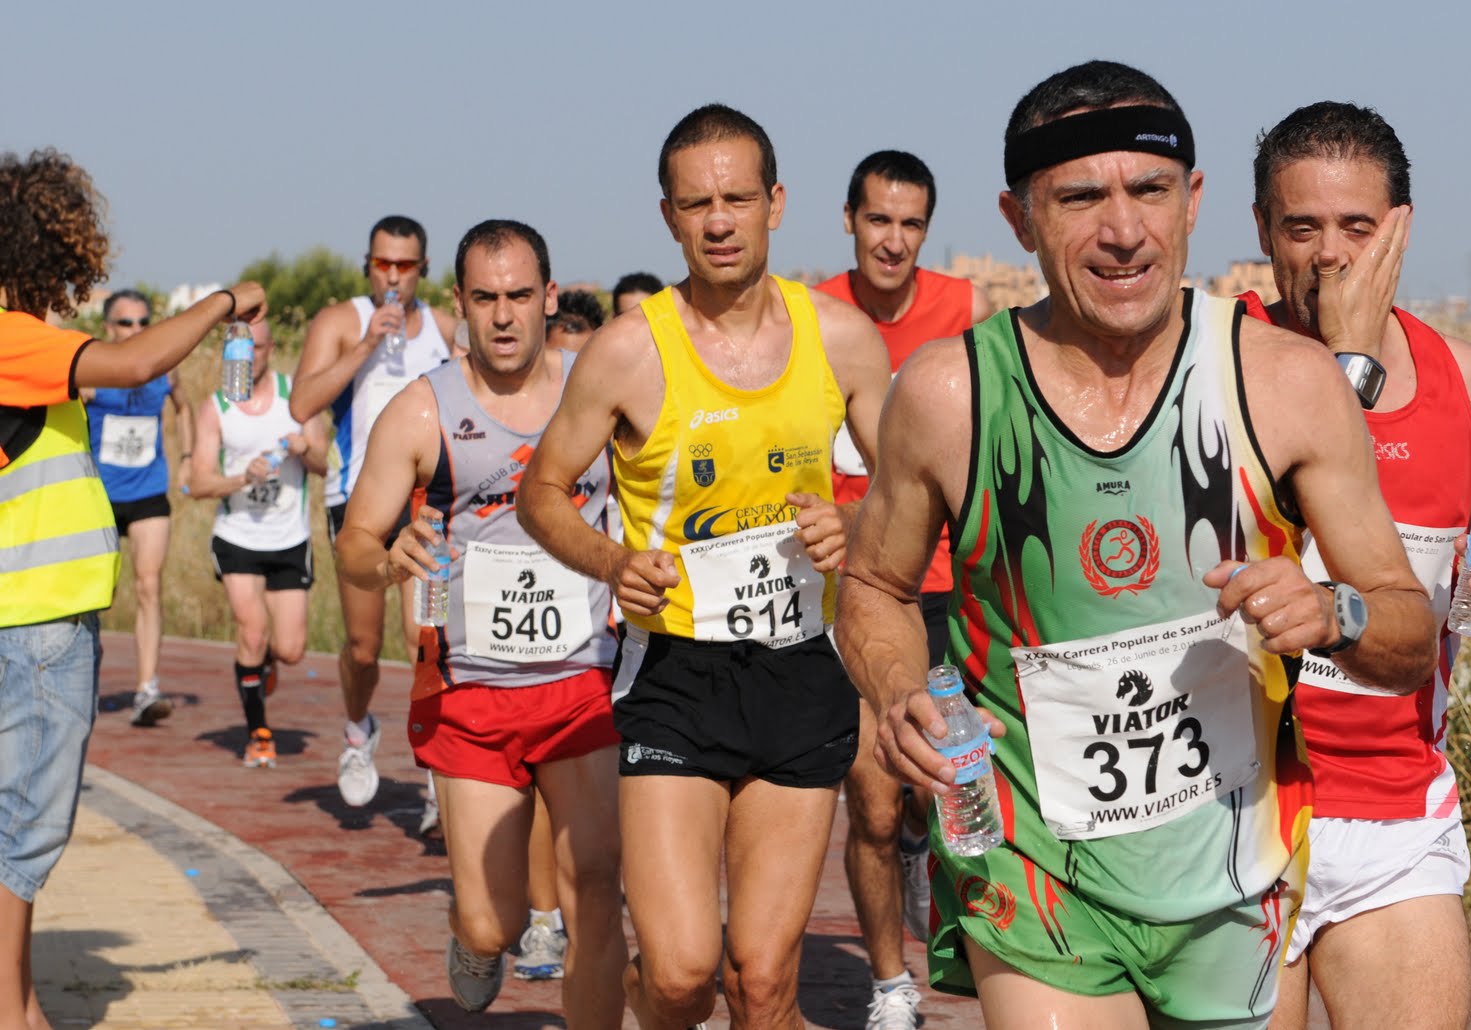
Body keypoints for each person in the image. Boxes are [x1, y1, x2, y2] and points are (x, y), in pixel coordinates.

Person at [833, 62, 1440, 1029]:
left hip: (1239, 873)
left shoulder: (1285, 382)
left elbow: (1407, 634)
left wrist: (1334, 612)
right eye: (1080, 198)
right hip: (1036, 870)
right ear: (1019, 216)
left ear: (1193, 200)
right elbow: (873, 584)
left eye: (1150, 190)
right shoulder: (949, 395)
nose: (1123, 232)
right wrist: (901, 691)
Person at [518, 104, 890, 1030]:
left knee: (762, 983)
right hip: (676, 671)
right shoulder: (625, 351)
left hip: (801, 668)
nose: (718, 221)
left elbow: (905, 493)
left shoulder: (843, 340)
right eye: (697, 204)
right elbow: (541, 493)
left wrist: (853, 523)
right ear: (669, 217)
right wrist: (613, 561)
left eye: (735, 198)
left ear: (776, 202)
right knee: (683, 975)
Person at [1244, 102, 1471, 1030]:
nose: (1329, 255)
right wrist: (1342, 360)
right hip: (1243, 805)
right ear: (1262, 230)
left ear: (1402, 232)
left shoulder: (1462, 374)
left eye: (1357, 228)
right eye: (1301, 228)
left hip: (1394, 807)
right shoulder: (1226, 361)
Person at [0, 145, 265, 1030]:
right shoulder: (12, 337)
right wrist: (226, 303)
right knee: (23, 829)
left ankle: (21, 1000)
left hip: (31, 615)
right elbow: (135, 363)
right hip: (32, 617)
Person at [336, 219, 625, 1023]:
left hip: (583, 679)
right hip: (472, 692)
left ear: (550, 299)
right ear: (459, 304)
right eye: (486, 299)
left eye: (521, 297)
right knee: (493, 922)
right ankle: (475, 935)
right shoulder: (422, 411)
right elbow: (352, 546)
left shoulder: (597, 392)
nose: (504, 316)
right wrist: (390, 553)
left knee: (597, 883)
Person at [815, 148, 995, 1029]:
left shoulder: (962, 311)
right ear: (849, 220)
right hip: (856, 592)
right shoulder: (809, 318)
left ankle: (935, 853)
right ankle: (891, 983)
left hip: (947, 590)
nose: (893, 240)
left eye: (911, 223)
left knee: (947, 786)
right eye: (878, 220)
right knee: (875, 799)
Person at [290, 215, 459, 809]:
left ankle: (440, 771)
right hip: (357, 504)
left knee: (425, 638)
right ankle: (359, 730)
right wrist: (366, 346)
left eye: (404, 265)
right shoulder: (341, 322)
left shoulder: (442, 328)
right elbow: (302, 402)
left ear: (423, 270)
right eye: (381, 264)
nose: (392, 276)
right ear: (368, 264)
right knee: (364, 649)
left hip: (428, 506)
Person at [188, 318, 328, 768]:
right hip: (238, 537)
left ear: (272, 349)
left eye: (260, 349)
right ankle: (258, 733)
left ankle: (261, 663)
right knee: (251, 630)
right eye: (243, 352)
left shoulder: (298, 398)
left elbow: (327, 464)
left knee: (289, 649)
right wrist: (239, 478)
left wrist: (305, 448)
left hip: (289, 538)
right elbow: (199, 482)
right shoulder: (217, 407)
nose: (252, 358)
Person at [83, 288, 196, 725]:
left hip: (148, 490)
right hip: (100, 496)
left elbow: (184, 409)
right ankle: (84, 681)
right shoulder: (94, 371)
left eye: (143, 322)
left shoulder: (163, 370)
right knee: (96, 594)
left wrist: (187, 458)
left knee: (149, 586)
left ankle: (147, 688)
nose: (136, 330)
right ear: (109, 328)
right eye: (126, 323)